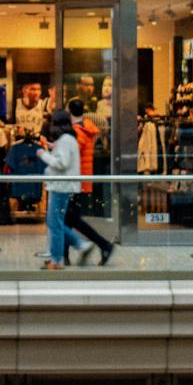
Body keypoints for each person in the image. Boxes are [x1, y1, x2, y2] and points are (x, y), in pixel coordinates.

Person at [37, 109, 91, 269]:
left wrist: (43, 154)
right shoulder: (68, 139)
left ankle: (57, 259)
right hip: (63, 185)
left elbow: (61, 163)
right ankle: (79, 246)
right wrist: (53, 147)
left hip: (61, 186)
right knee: (55, 222)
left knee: (55, 223)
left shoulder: (66, 140)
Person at [63, 99, 113, 264]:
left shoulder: (78, 131)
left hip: (75, 182)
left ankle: (103, 245)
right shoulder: (85, 128)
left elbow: (69, 155)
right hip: (79, 181)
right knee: (69, 219)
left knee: (71, 220)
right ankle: (65, 255)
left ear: (70, 111)